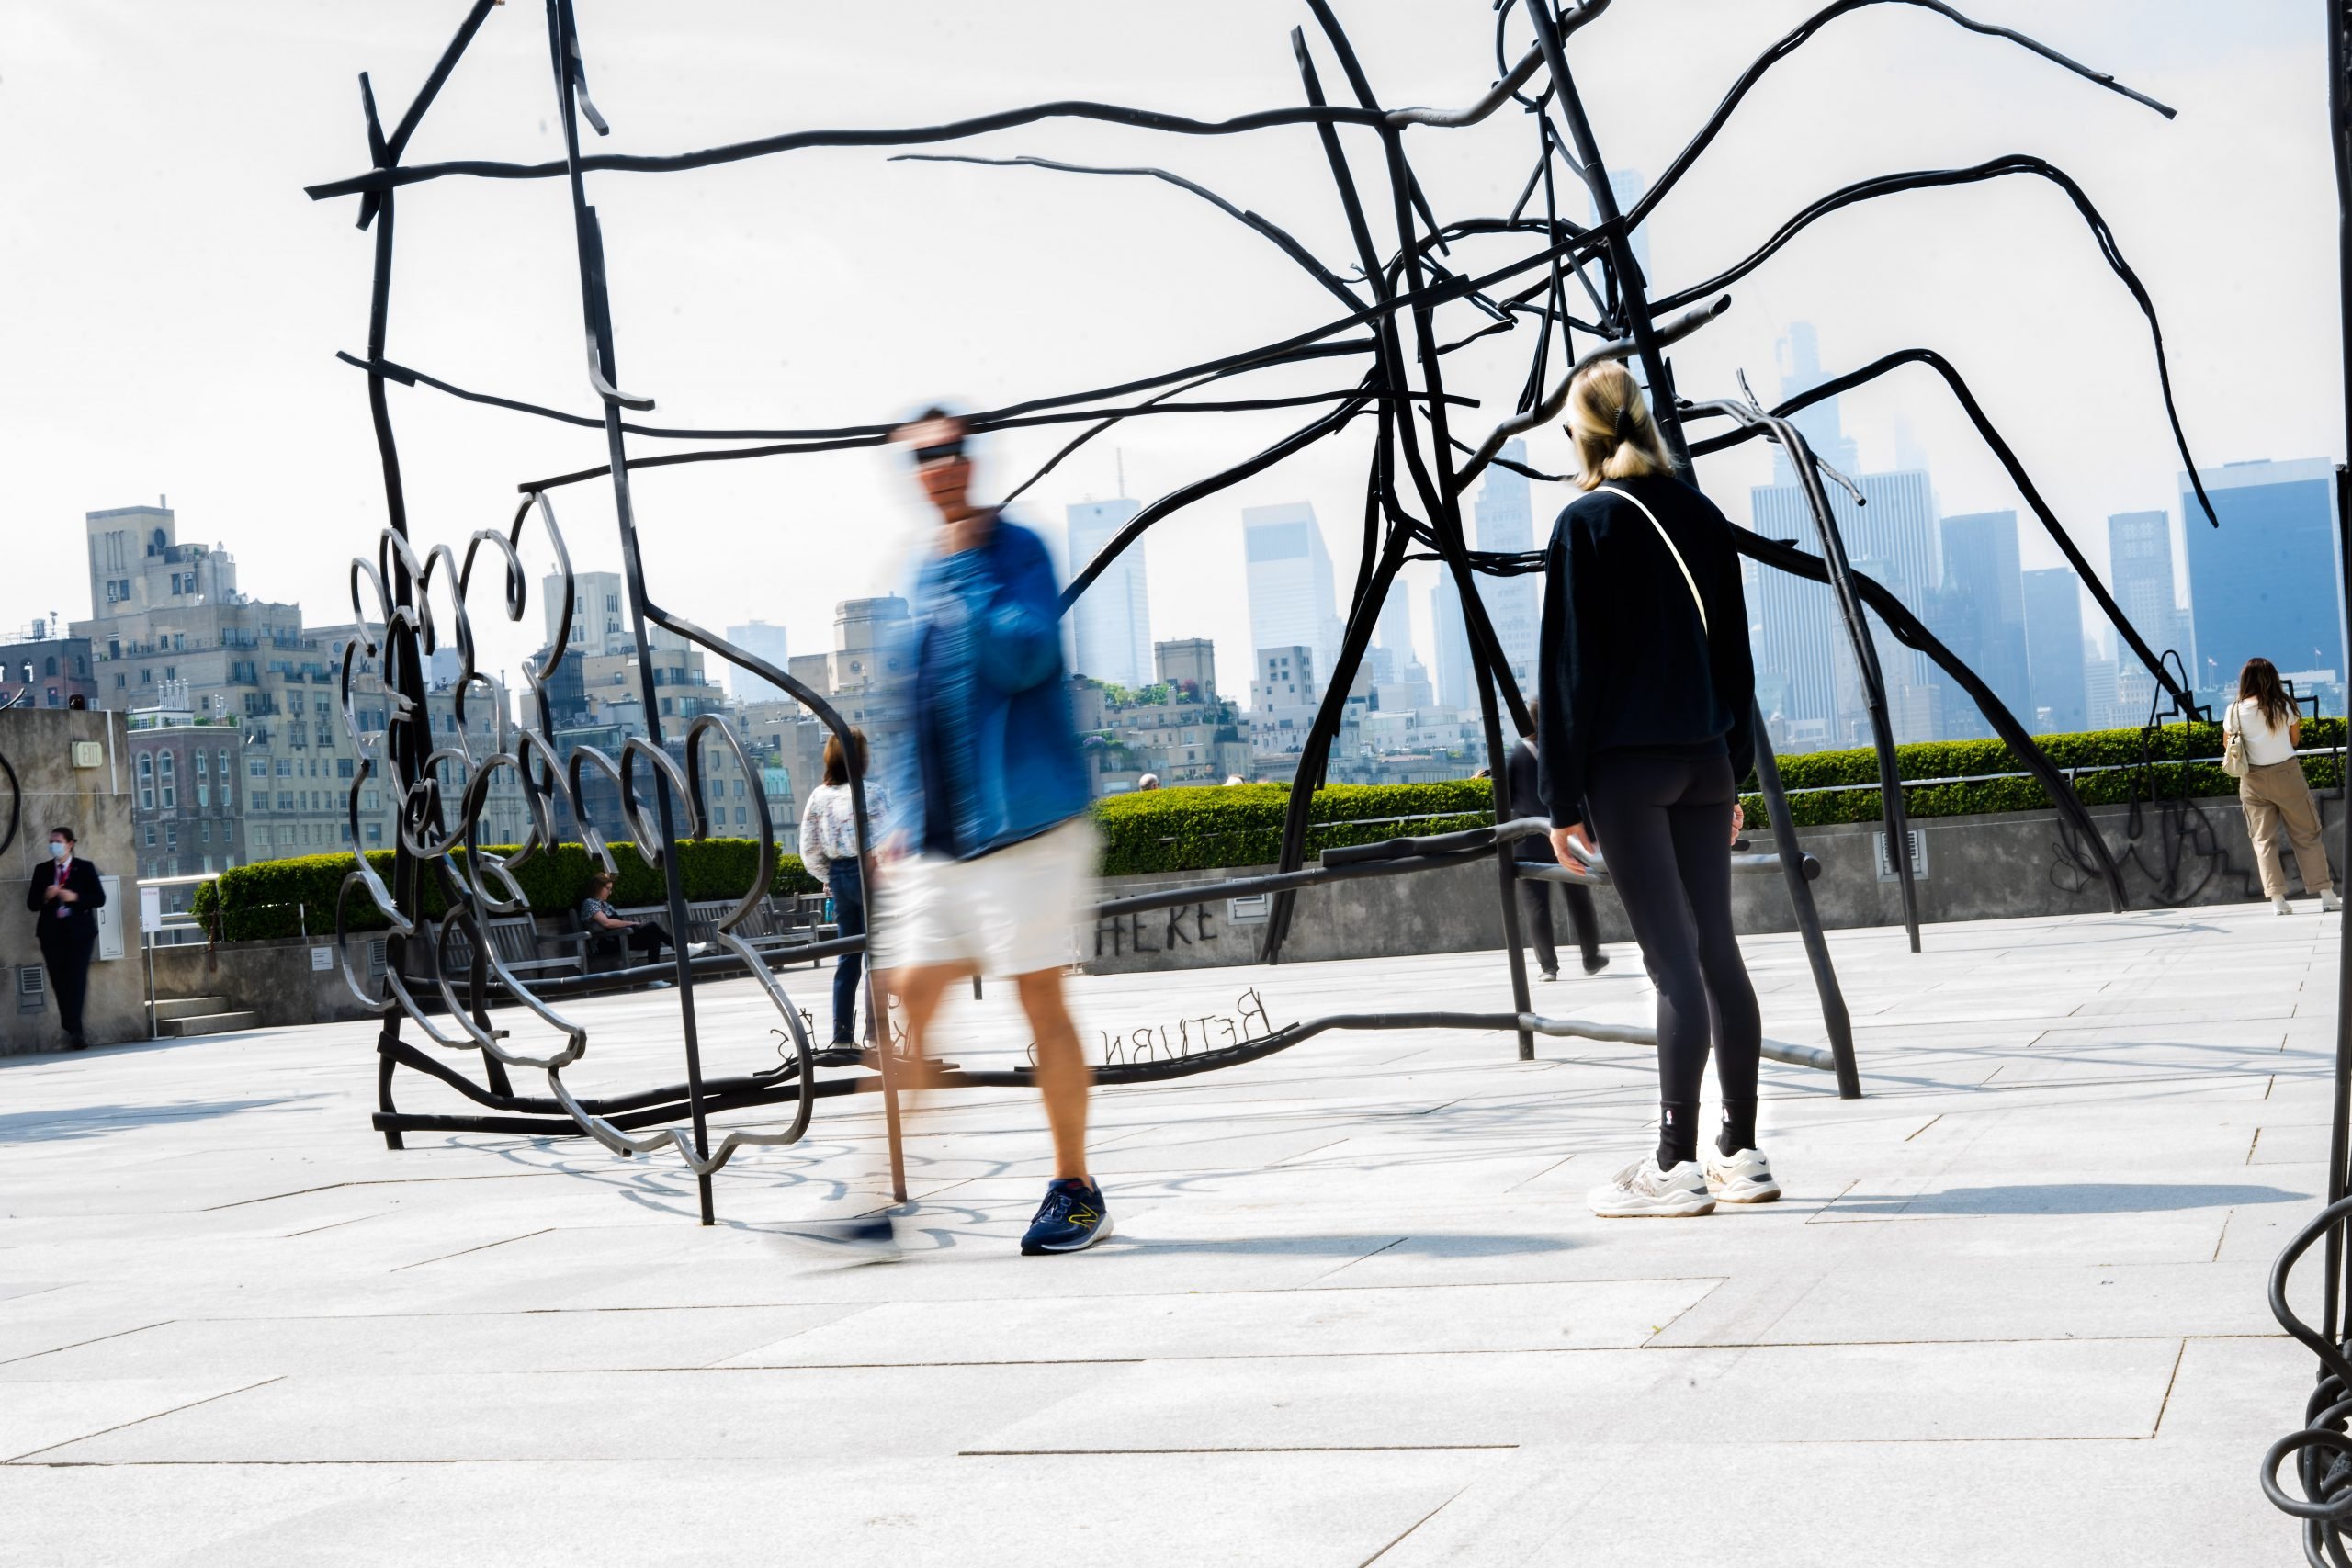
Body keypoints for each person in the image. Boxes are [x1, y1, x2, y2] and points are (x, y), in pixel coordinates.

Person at [1536, 359, 1776, 1219]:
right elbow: (1735, 659)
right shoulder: (1702, 516)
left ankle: (1673, 1164)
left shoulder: (1585, 524)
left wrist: (1561, 801)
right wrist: (1733, 768)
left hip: (1628, 771)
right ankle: (1740, 1152)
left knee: (1671, 964)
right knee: (1716, 951)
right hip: (1704, 758)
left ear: (1585, 435)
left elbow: (1569, 675)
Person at [868, 407, 1106, 1257]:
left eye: (946, 451)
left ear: (968, 460)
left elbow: (1027, 657)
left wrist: (972, 570)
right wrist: (897, 812)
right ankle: (883, 1197)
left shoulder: (1016, 553)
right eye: (920, 459)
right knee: (906, 993)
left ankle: (1075, 1187)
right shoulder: (921, 570)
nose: (935, 467)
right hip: (944, 839)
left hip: (1029, 828)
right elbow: (915, 706)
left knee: (1039, 1000)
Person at [2226, 656, 2341, 915]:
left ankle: (2278, 901)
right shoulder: (2285, 706)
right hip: (2287, 775)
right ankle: (2326, 895)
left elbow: (2229, 745)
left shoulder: (2234, 710)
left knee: (2264, 841)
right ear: (2272, 678)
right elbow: (2295, 740)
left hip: (2253, 780)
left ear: (2245, 680)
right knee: (2306, 834)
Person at [799, 728, 884, 1066]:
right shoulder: (872, 793)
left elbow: (809, 848)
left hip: (839, 874)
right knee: (876, 958)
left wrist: (830, 877)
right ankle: (877, 1032)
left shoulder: (818, 797)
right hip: (870, 873)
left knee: (846, 956)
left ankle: (841, 1034)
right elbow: (888, 839)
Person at [1505, 727, 1607, 980]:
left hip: (1528, 844)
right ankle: (1591, 956)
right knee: (1579, 899)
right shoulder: (1562, 753)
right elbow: (1581, 794)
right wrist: (1591, 837)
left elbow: (1506, 796)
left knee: (1537, 907)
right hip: (1568, 840)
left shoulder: (1517, 753)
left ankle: (1548, 967)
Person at [25, 826, 104, 1050]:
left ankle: (75, 1031)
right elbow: (31, 904)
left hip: (80, 934)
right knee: (60, 981)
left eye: (58, 841)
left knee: (76, 979)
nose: (54, 845)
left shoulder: (84, 868)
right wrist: (46, 896)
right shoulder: (42, 870)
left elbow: (99, 898)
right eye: (51, 841)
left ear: (70, 844)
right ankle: (71, 1025)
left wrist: (75, 897)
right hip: (51, 934)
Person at [578, 871, 681, 987]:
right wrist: (633, 924)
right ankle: (681, 948)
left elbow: (617, 923)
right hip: (604, 943)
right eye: (607, 888)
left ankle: (654, 977)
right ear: (598, 887)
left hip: (619, 938)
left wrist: (633, 925)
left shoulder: (606, 905)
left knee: (654, 938)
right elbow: (607, 923)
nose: (610, 892)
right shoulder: (589, 903)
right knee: (651, 925)